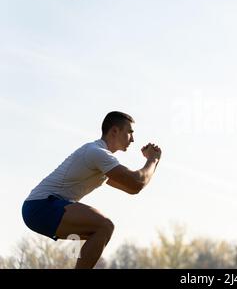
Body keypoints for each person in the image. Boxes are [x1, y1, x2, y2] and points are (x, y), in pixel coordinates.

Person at [22, 111, 161, 269]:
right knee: (104, 226)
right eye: (129, 133)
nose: (133, 139)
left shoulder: (101, 159)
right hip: (41, 206)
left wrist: (152, 163)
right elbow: (137, 182)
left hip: (38, 209)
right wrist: (153, 159)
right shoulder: (97, 153)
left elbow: (133, 189)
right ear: (115, 131)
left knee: (100, 232)